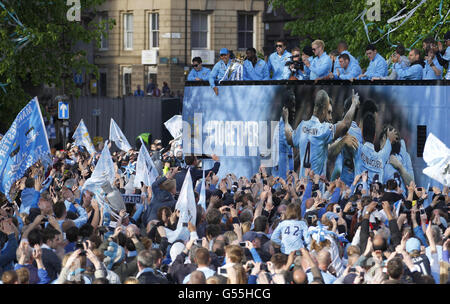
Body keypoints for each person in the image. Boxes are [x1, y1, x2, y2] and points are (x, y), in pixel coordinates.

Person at [283, 89, 360, 177]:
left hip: (302, 185)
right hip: (315, 187)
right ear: (323, 110)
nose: (330, 117)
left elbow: (289, 138)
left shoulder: (302, 126)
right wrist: (354, 103)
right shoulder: (323, 130)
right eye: (328, 112)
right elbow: (345, 124)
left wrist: (286, 122)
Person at [353, 113, 397, 184]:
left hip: (359, 193)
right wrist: (389, 139)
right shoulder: (381, 157)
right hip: (377, 194)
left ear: (362, 133)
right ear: (375, 136)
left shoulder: (358, 149)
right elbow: (389, 141)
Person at [379, 125, 414, 192]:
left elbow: (413, 187)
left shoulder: (379, 158)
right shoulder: (404, 157)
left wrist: (400, 168)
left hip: (387, 200)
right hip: (402, 200)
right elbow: (412, 187)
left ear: (383, 139)